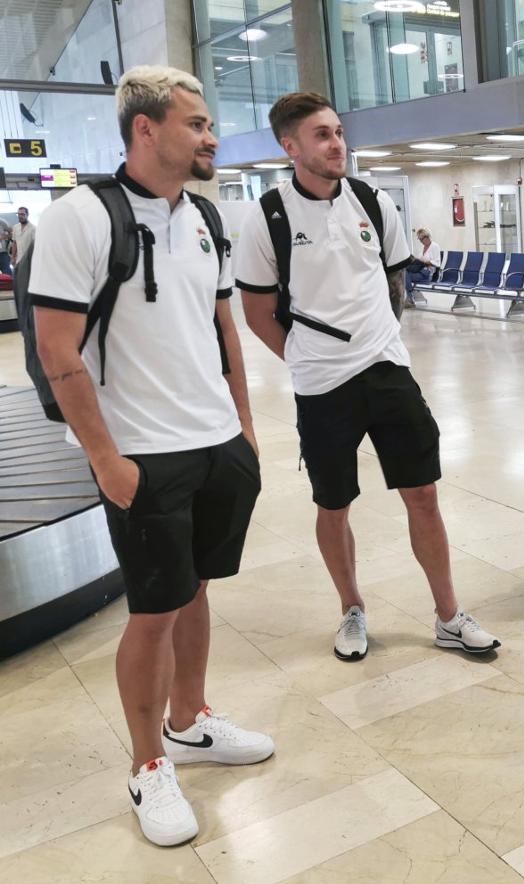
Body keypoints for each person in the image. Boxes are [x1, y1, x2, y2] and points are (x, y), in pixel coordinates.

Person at [30, 65, 271, 847]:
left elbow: (224, 329)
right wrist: (105, 460)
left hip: (215, 444)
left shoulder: (202, 215)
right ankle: (145, 765)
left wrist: (243, 427)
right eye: (196, 124)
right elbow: (57, 350)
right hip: (143, 453)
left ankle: (191, 721)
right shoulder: (81, 218)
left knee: (196, 590)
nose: (210, 137)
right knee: (154, 610)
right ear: (146, 128)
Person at [235, 91, 500, 661]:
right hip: (321, 386)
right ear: (290, 146)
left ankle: (449, 615)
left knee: (423, 493)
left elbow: (393, 285)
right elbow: (257, 311)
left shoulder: (373, 201)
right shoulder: (268, 217)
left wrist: (383, 341)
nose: (337, 144)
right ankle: (351, 609)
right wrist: (305, 359)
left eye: (338, 131)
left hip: (386, 370)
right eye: (322, 135)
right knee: (333, 504)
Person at [405, 227, 442, 307]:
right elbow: (420, 260)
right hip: (420, 271)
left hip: (428, 274)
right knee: (405, 272)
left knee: (405, 275)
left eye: (422, 239)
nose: (421, 241)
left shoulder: (435, 246)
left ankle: (410, 298)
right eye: (420, 239)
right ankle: (410, 298)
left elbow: (437, 263)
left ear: (427, 237)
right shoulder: (423, 247)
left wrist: (426, 262)